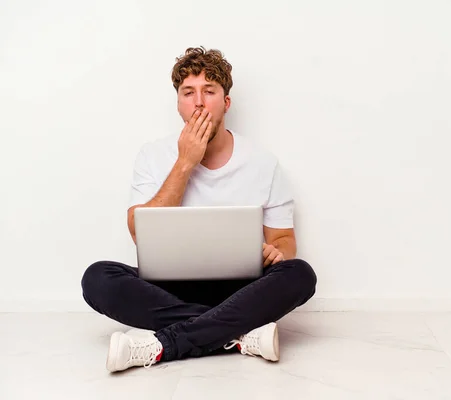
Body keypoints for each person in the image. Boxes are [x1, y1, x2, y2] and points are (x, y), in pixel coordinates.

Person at [81, 47, 317, 373]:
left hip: (241, 290)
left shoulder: (263, 163)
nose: (200, 102)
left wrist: (276, 253)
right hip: (169, 289)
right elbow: (139, 232)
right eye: (188, 92)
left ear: (226, 102)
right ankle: (237, 335)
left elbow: (284, 239)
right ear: (178, 104)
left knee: (300, 274)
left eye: (210, 91)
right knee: (98, 278)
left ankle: (162, 344)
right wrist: (185, 162)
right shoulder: (152, 155)